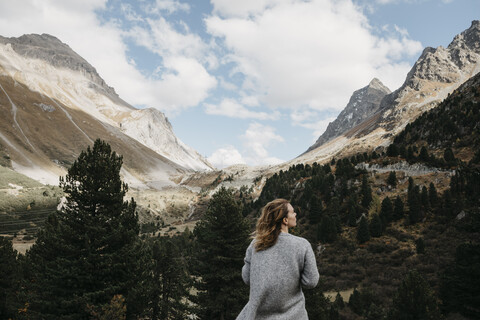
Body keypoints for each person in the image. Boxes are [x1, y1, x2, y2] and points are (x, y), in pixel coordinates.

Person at [236, 198, 319, 320]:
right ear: (285, 220)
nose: (295, 214)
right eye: (292, 212)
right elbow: (311, 282)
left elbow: (247, 278)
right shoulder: (302, 245)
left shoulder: (255, 244)